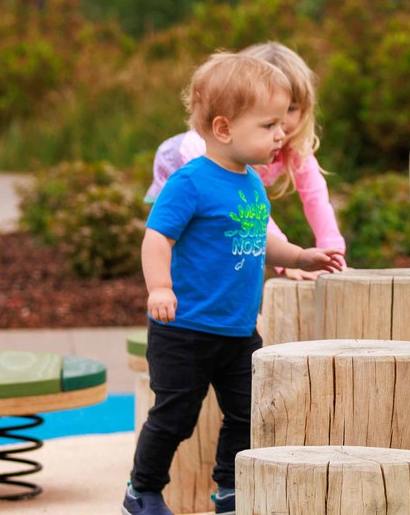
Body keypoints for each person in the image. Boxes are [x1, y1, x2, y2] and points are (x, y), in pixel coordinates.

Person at [124, 52, 345, 515]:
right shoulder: (190, 182)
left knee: (247, 414)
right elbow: (157, 237)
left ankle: (229, 487)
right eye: (268, 126)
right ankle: (142, 489)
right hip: (184, 329)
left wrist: (301, 255)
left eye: (281, 123)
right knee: (176, 417)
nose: (281, 133)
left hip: (238, 331)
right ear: (224, 129)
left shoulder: (250, 184)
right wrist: (159, 288)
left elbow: (262, 237)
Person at [145, 41, 345, 278]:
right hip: (179, 160)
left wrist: (334, 258)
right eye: (269, 121)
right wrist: (288, 264)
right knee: (188, 239)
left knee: (229, 243)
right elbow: (252, 213)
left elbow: (316, 201)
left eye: (290, 109)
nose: (282, 125)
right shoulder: (233, 149)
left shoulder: (289, 147)